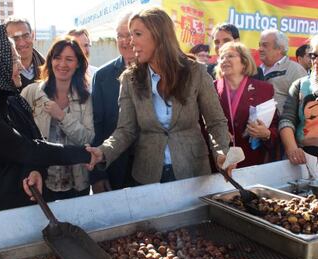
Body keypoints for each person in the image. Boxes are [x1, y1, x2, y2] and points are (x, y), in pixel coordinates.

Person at [0, 25, 92, 215]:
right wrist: (85, 154)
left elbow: (35, 144)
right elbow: (25, 149)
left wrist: (34, 171)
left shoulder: (13, 101)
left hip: (30, 209)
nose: (21, 67)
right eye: (14, 60)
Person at [86, 7, 232, 185]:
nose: (131, 42)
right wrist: (103, 151)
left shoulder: (196, 72)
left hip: (193, 171)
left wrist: (222, 152)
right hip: (147, 174)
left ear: (159, 35)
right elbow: (126, 130)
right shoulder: (129, 79)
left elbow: (215, 122)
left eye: (137, 34)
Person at [21, 37, 94, 201]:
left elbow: (88, 138)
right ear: (50, 61)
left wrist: (61, 116)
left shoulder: (86, 98)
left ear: (78, 64)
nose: (62, 64)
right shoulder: (31, 93)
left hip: (76, 182)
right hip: (41, 180)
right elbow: (21, 139)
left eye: (69, 59)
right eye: (57, 58)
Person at [90, 12, 136, 193]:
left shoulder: (157, 71)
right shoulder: (103, 76)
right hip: (114, 166)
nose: (124, 41)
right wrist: (97, 174)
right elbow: (96, 126)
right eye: (120, 36)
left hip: (152, 168)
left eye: (129, 35)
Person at [214, 42, 278, 168]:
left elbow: (275, 125)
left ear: (244, 62)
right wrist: (217, 133)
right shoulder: (210, 88)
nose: (224, 60)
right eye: (221, 57)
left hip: (251, 161)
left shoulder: (264, 89)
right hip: (220, 161)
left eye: (230, 56)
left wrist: (266, 133)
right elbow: (199, 123)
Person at [279, 35, 318, 165]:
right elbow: (286, 120)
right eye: (314, 55)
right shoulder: (300, 85)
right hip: (305, 159)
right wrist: (292, 148)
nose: (316, 61)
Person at [259, 29, 307, 114]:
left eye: (265, 45)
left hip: (282, 125)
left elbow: (304, 105)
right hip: (256, 125)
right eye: (259, 45)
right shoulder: (257, 70)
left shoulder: (295, 70)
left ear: (279, 49)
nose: (260, 49)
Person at [5, 16, 45, 91]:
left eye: (26, 36)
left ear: (32, 35)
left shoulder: (49, 68)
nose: (22, 43)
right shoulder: (1, 74)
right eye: (15, 38)